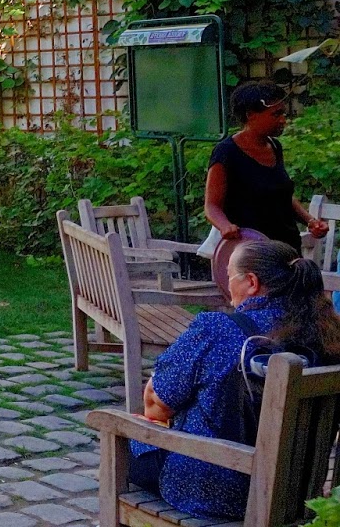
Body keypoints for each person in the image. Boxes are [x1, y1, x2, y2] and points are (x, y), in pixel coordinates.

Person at [130, 239, 340, 520]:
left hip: (218, 491)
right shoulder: (328, 334)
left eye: (229, 276)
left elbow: (157, 404)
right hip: (300, 491)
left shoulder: (219, 330)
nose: (226, 285)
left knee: (127, 439)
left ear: (251, 282)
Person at [204, 81, 326, 253]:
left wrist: (310, 221)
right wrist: (225, 226)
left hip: (287, 247)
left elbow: (281, 195)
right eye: (276, 114)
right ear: (251, 115)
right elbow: (212, 206)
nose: (283, 120)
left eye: (283, 113)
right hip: (250, 251)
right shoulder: (226, 152)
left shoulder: (275, 147)